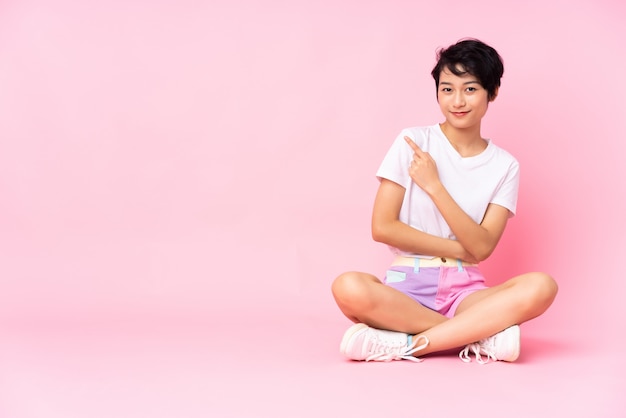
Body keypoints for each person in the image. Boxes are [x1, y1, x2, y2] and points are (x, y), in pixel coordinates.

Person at [331, 38, 558, 363]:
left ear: (492, 93)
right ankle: (476, 336)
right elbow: (382, 228)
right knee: (349, 286)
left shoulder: (505, 165)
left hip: (466, 291)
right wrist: (457, 248)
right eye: (447, 89)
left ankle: (407, 345)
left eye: (470, 89)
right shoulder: (414, 141)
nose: (457, 101)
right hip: (405, 284)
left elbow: (482, 249)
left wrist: (434, 185)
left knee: (541, 286)